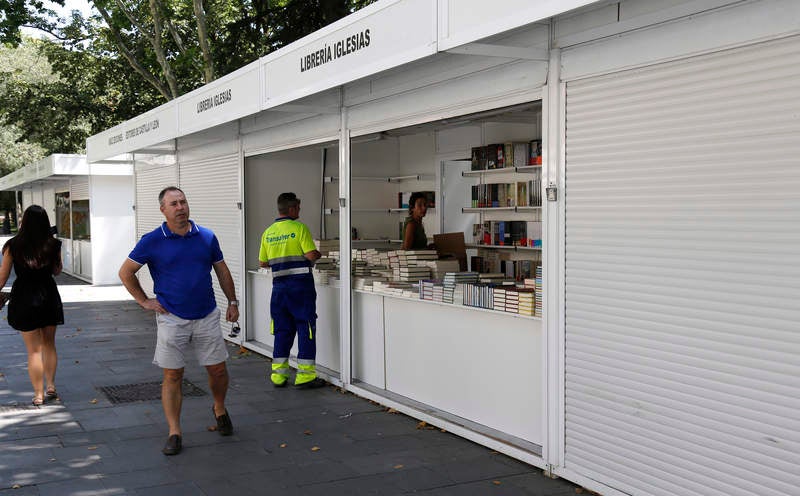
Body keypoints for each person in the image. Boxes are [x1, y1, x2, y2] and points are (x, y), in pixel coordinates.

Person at [118, 187, 239, 456]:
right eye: (173, 203)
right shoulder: (152, 240)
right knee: (173, 375)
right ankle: (174, 431)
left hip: (207, 314)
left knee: (217, 370)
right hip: (171, 317)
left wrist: (232, 301)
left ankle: (219, 407)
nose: (180, 207)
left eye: (183, 202)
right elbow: (126, 272)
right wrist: (144, 301)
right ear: (163, 209)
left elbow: (221, 269)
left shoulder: (206, 236)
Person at [258, 192, 324, 389]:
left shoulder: (268, 232)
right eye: (299, 208)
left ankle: (278, 376)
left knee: (282, 331)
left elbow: (263, 262)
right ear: (292, 209)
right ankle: (305, 376)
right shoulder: (299, 228)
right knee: (306, 329)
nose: (300, 212)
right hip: (301, 288)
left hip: (279, 290)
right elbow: (311, 254)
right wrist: (319, 253)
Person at [0, 205, 64, 406]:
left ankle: (38, 395)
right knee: (49, 344)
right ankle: (51, 385)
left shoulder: (13, 245)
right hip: (48, 295)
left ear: (24, 222)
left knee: (33, 351)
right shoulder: (53, 245)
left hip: (24, 297)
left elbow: (3, 277)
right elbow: (57, 271)